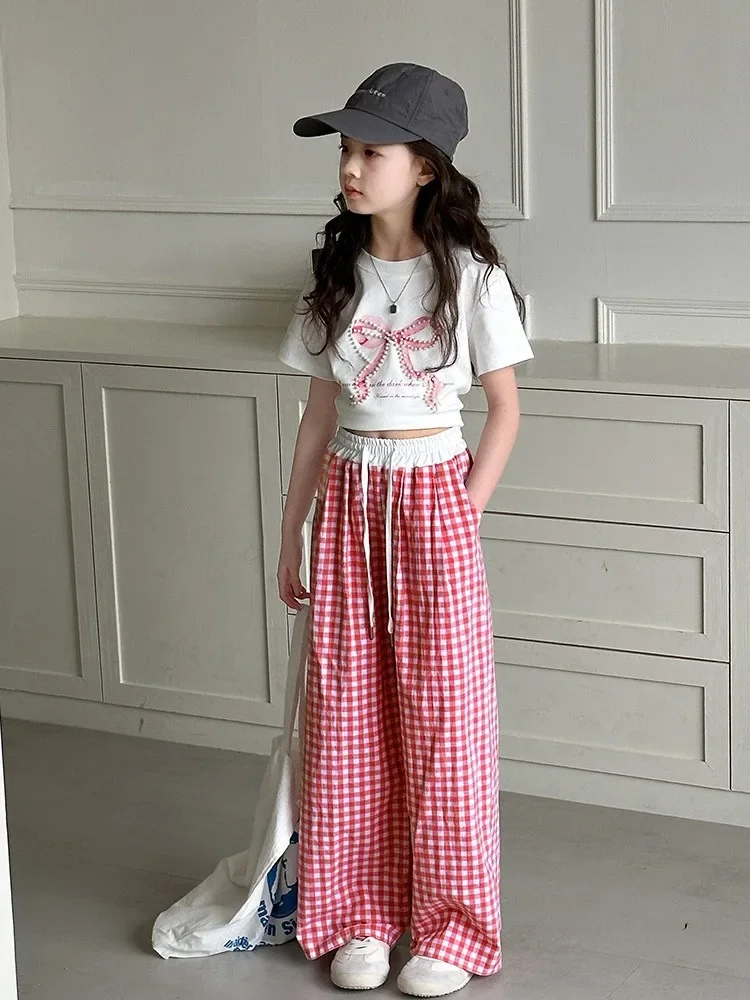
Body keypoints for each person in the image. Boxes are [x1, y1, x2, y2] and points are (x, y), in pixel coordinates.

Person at [275, 62, 534, 998]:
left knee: (446, 722)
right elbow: (317, 417)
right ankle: (357, 914)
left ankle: (453, 928)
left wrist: (464, 510)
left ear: (425, 166)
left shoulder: (469, 278)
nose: (350, 168)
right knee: (348, 716)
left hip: (433, 496)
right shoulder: (335, 275)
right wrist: (292, 529)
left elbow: (505, 409)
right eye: (346, 151)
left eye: (370, 152)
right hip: (349, 497)